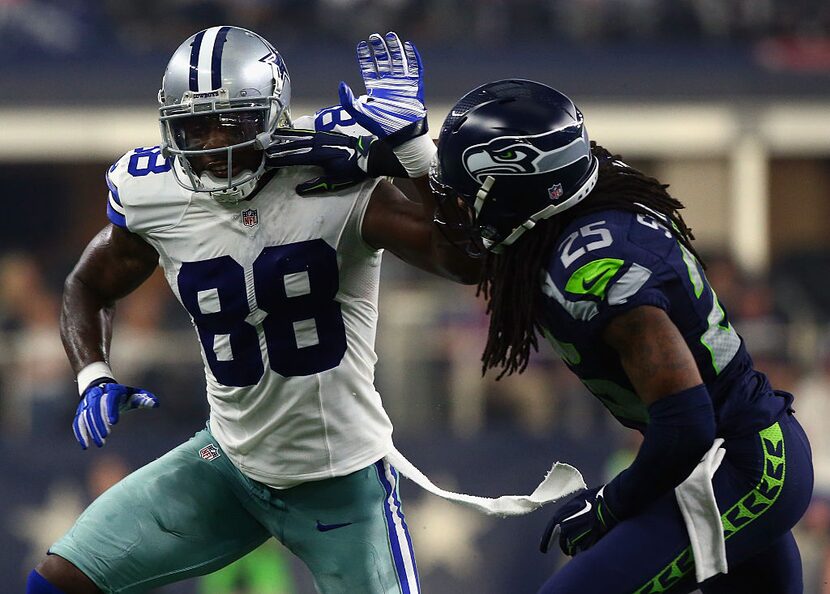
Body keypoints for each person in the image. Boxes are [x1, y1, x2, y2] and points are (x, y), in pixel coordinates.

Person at [28, 26, 478, 594]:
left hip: (339, 480)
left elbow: (465, 261)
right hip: (228, 463)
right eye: (194, 127)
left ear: (272, 115)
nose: (211, 144)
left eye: (229, 122)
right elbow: (87, 285)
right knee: (57, 582)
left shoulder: (333, 175)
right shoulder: (157, 193)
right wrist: (94, 373)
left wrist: (415, 153)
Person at [422, 79, 813, 593]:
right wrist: (395, 150)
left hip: (736, 463)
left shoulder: (595, 268)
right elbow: (455, 244)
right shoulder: (579, 197)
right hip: (721, 458)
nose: (461, 205)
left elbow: (687, 421)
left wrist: (611, 503)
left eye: (472, 191)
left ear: (519, 187)